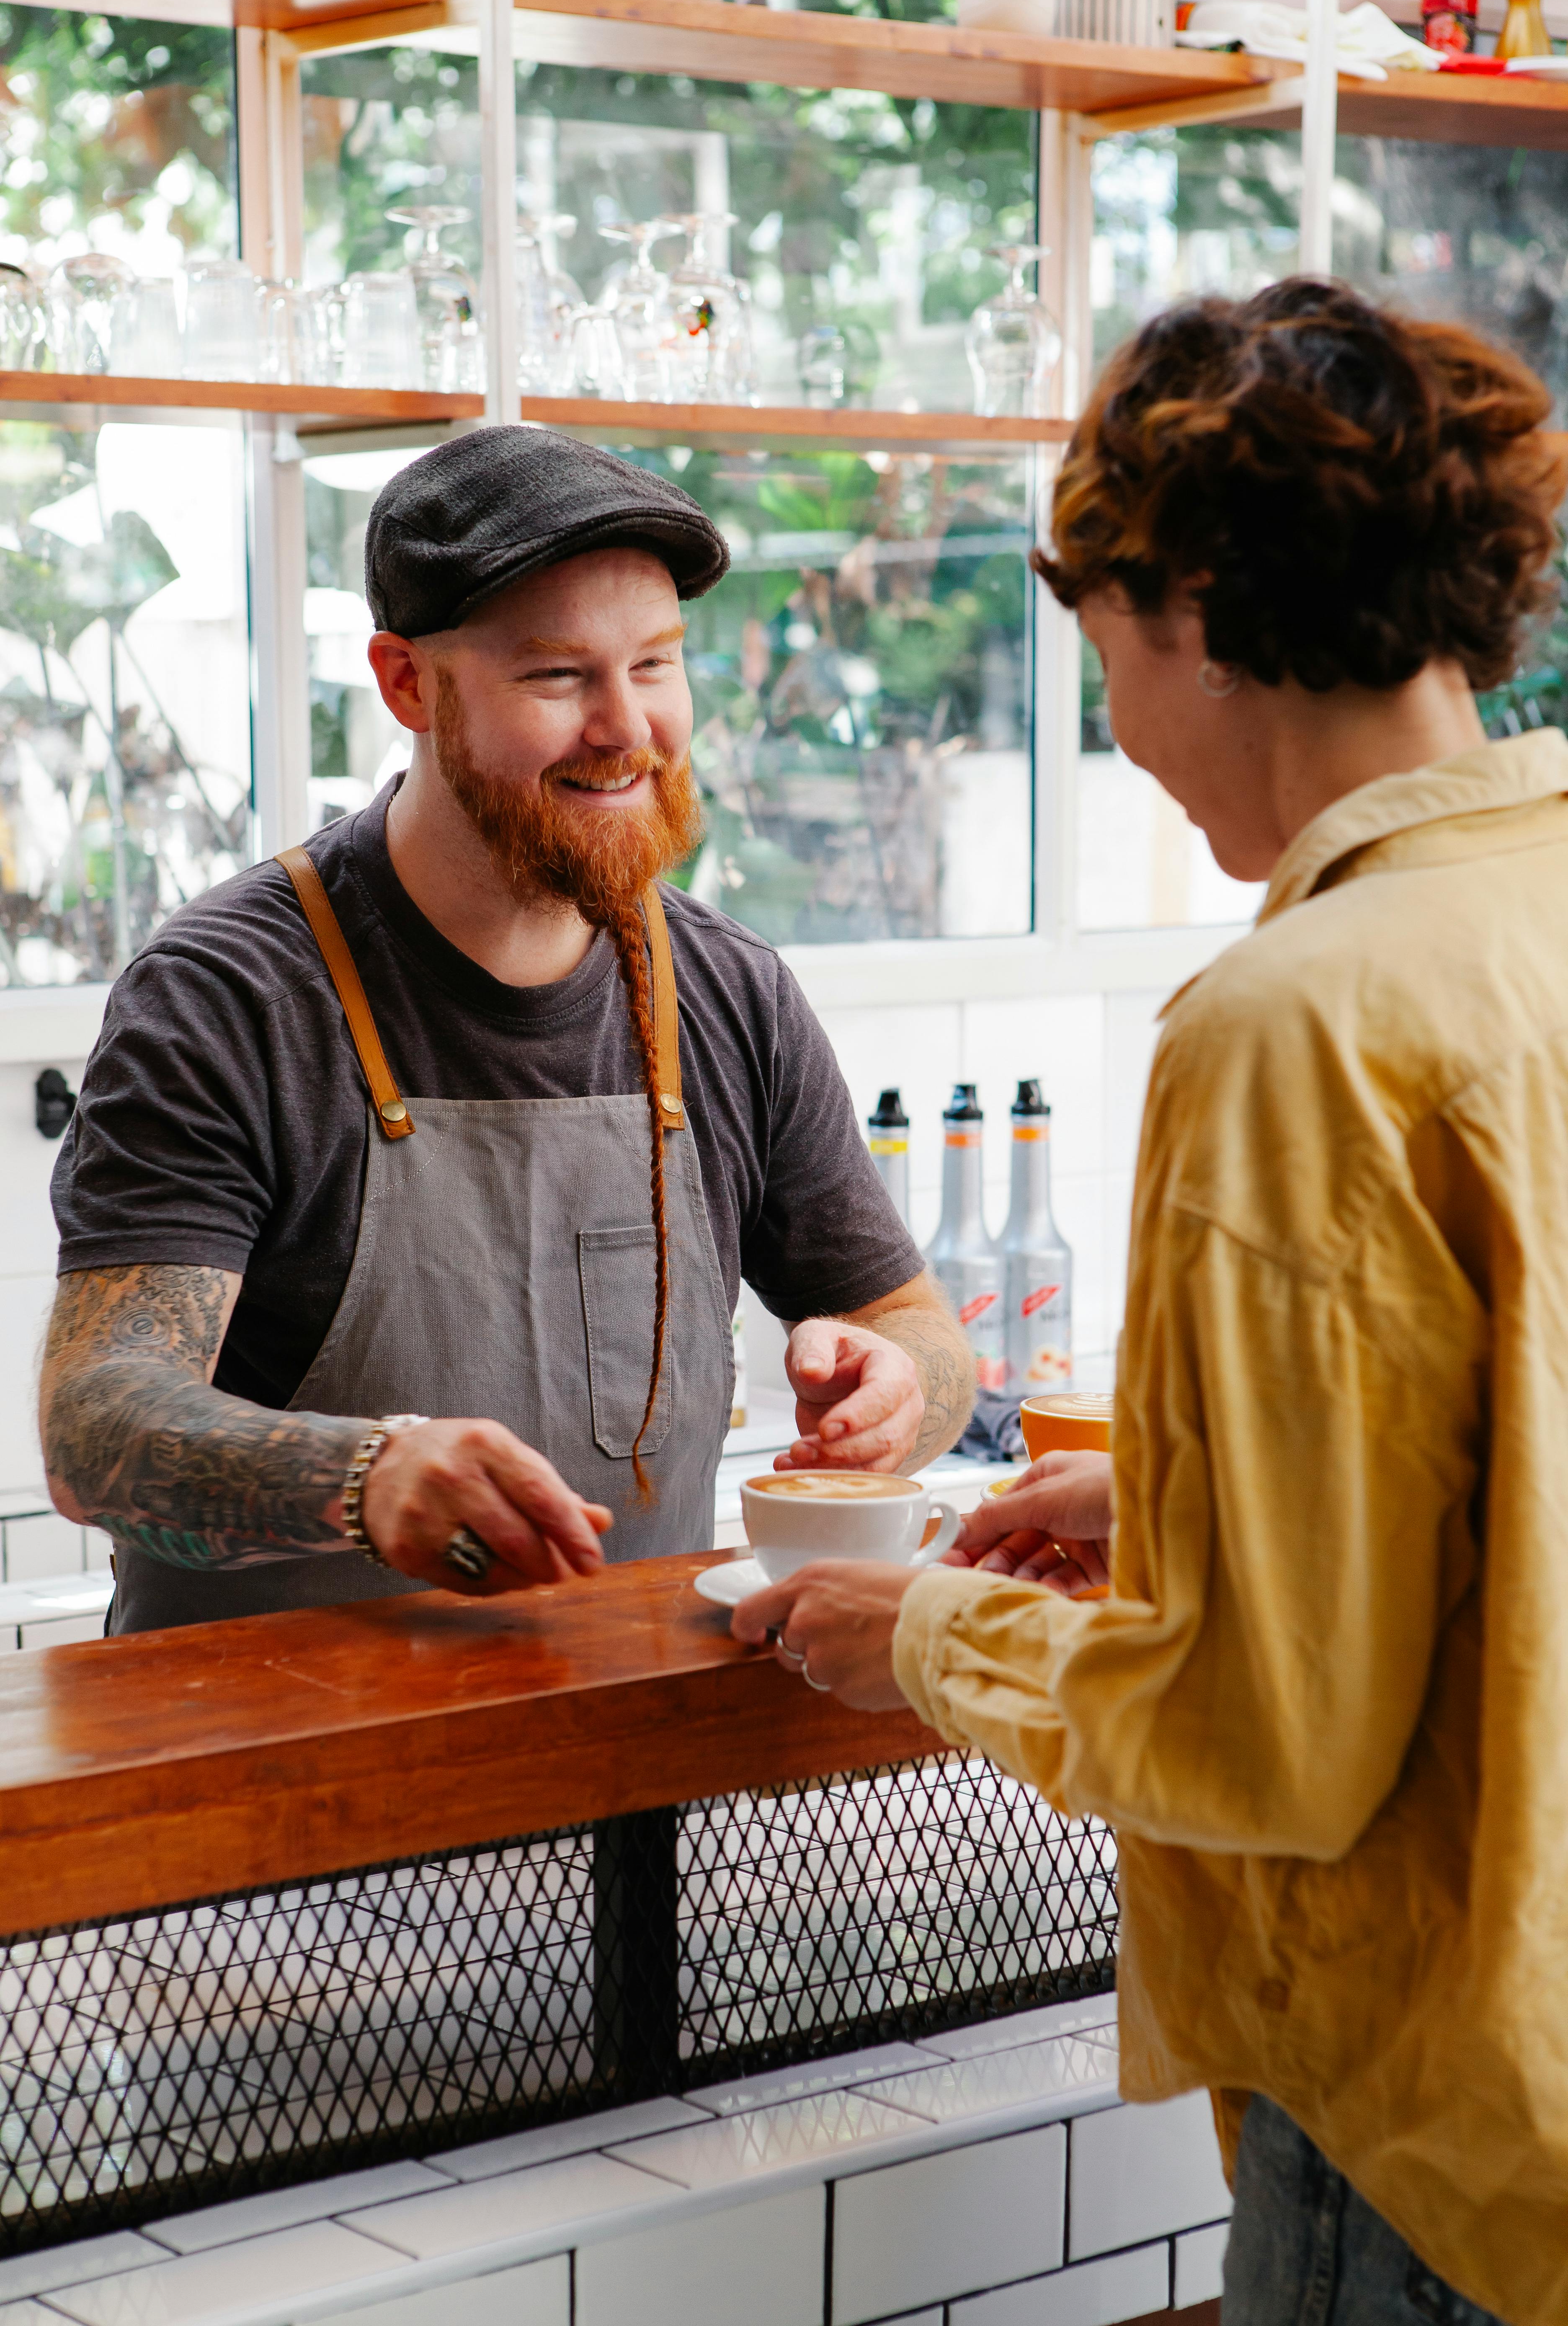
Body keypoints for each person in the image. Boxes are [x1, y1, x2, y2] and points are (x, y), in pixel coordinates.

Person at [735, 278, 1568, 2326]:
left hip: (1437, 2132)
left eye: (1103, 652)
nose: (1121, 720)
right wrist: (1187, 1495)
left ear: (1190, 611)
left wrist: (929, 1626)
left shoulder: (1296, 1019)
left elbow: (1263, 1741)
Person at [40, 426, 972, 1632]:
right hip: (274, 1786)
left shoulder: (730, 994)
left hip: (620, 1786)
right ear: (407, 683)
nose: (627, 727)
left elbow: (916, 1329)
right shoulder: (231, 996)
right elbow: (98, 1426)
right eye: (557, 677)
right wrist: (361, 1478)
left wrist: (904, 1393)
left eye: (655, 665)